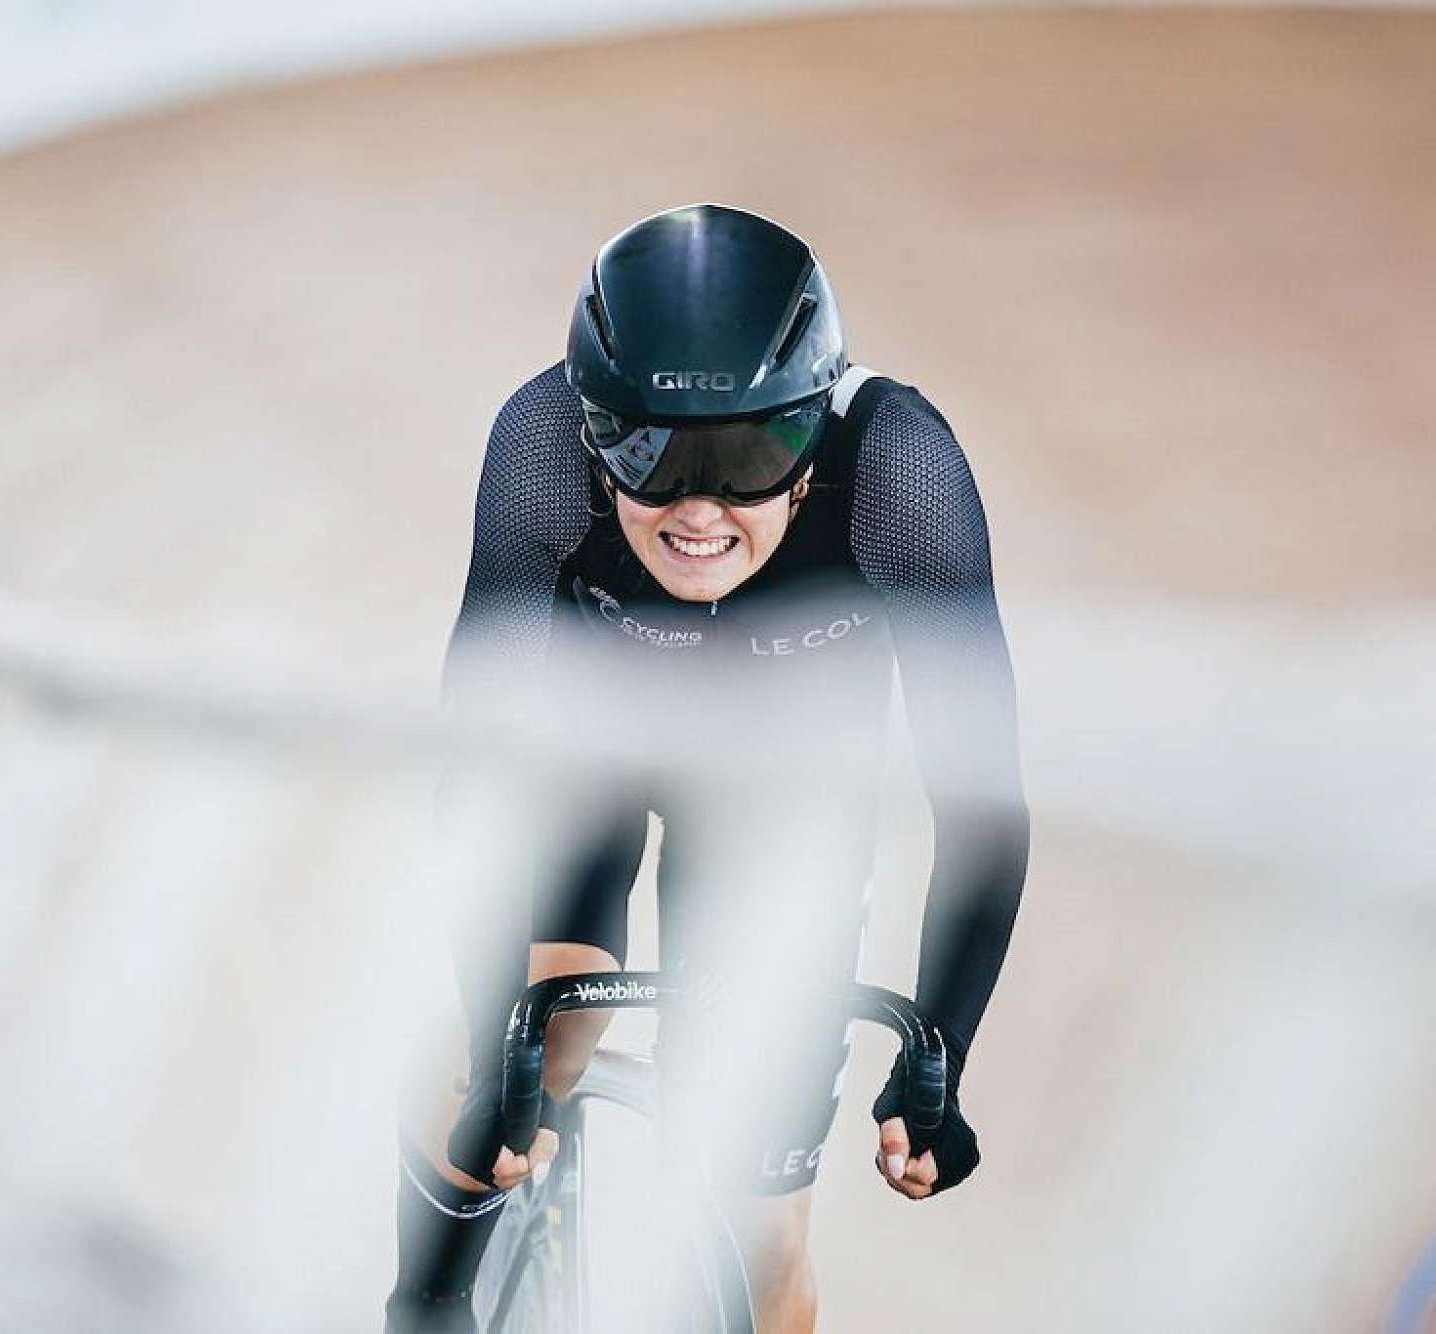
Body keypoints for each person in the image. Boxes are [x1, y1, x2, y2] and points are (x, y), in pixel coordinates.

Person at [384, 203, 1030, 1333]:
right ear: (591, 432)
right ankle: (426, 1299)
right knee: (538, 1034)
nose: (697, 506)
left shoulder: (899, 473)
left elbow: (978, 806)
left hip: (785, 789)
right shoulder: (539, 447)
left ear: (811, 444)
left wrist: (943, 1055)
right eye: (649, 451)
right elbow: (476, 777)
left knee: (757, 1216)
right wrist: (502, 1048)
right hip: (590, 741)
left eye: (747, 455)